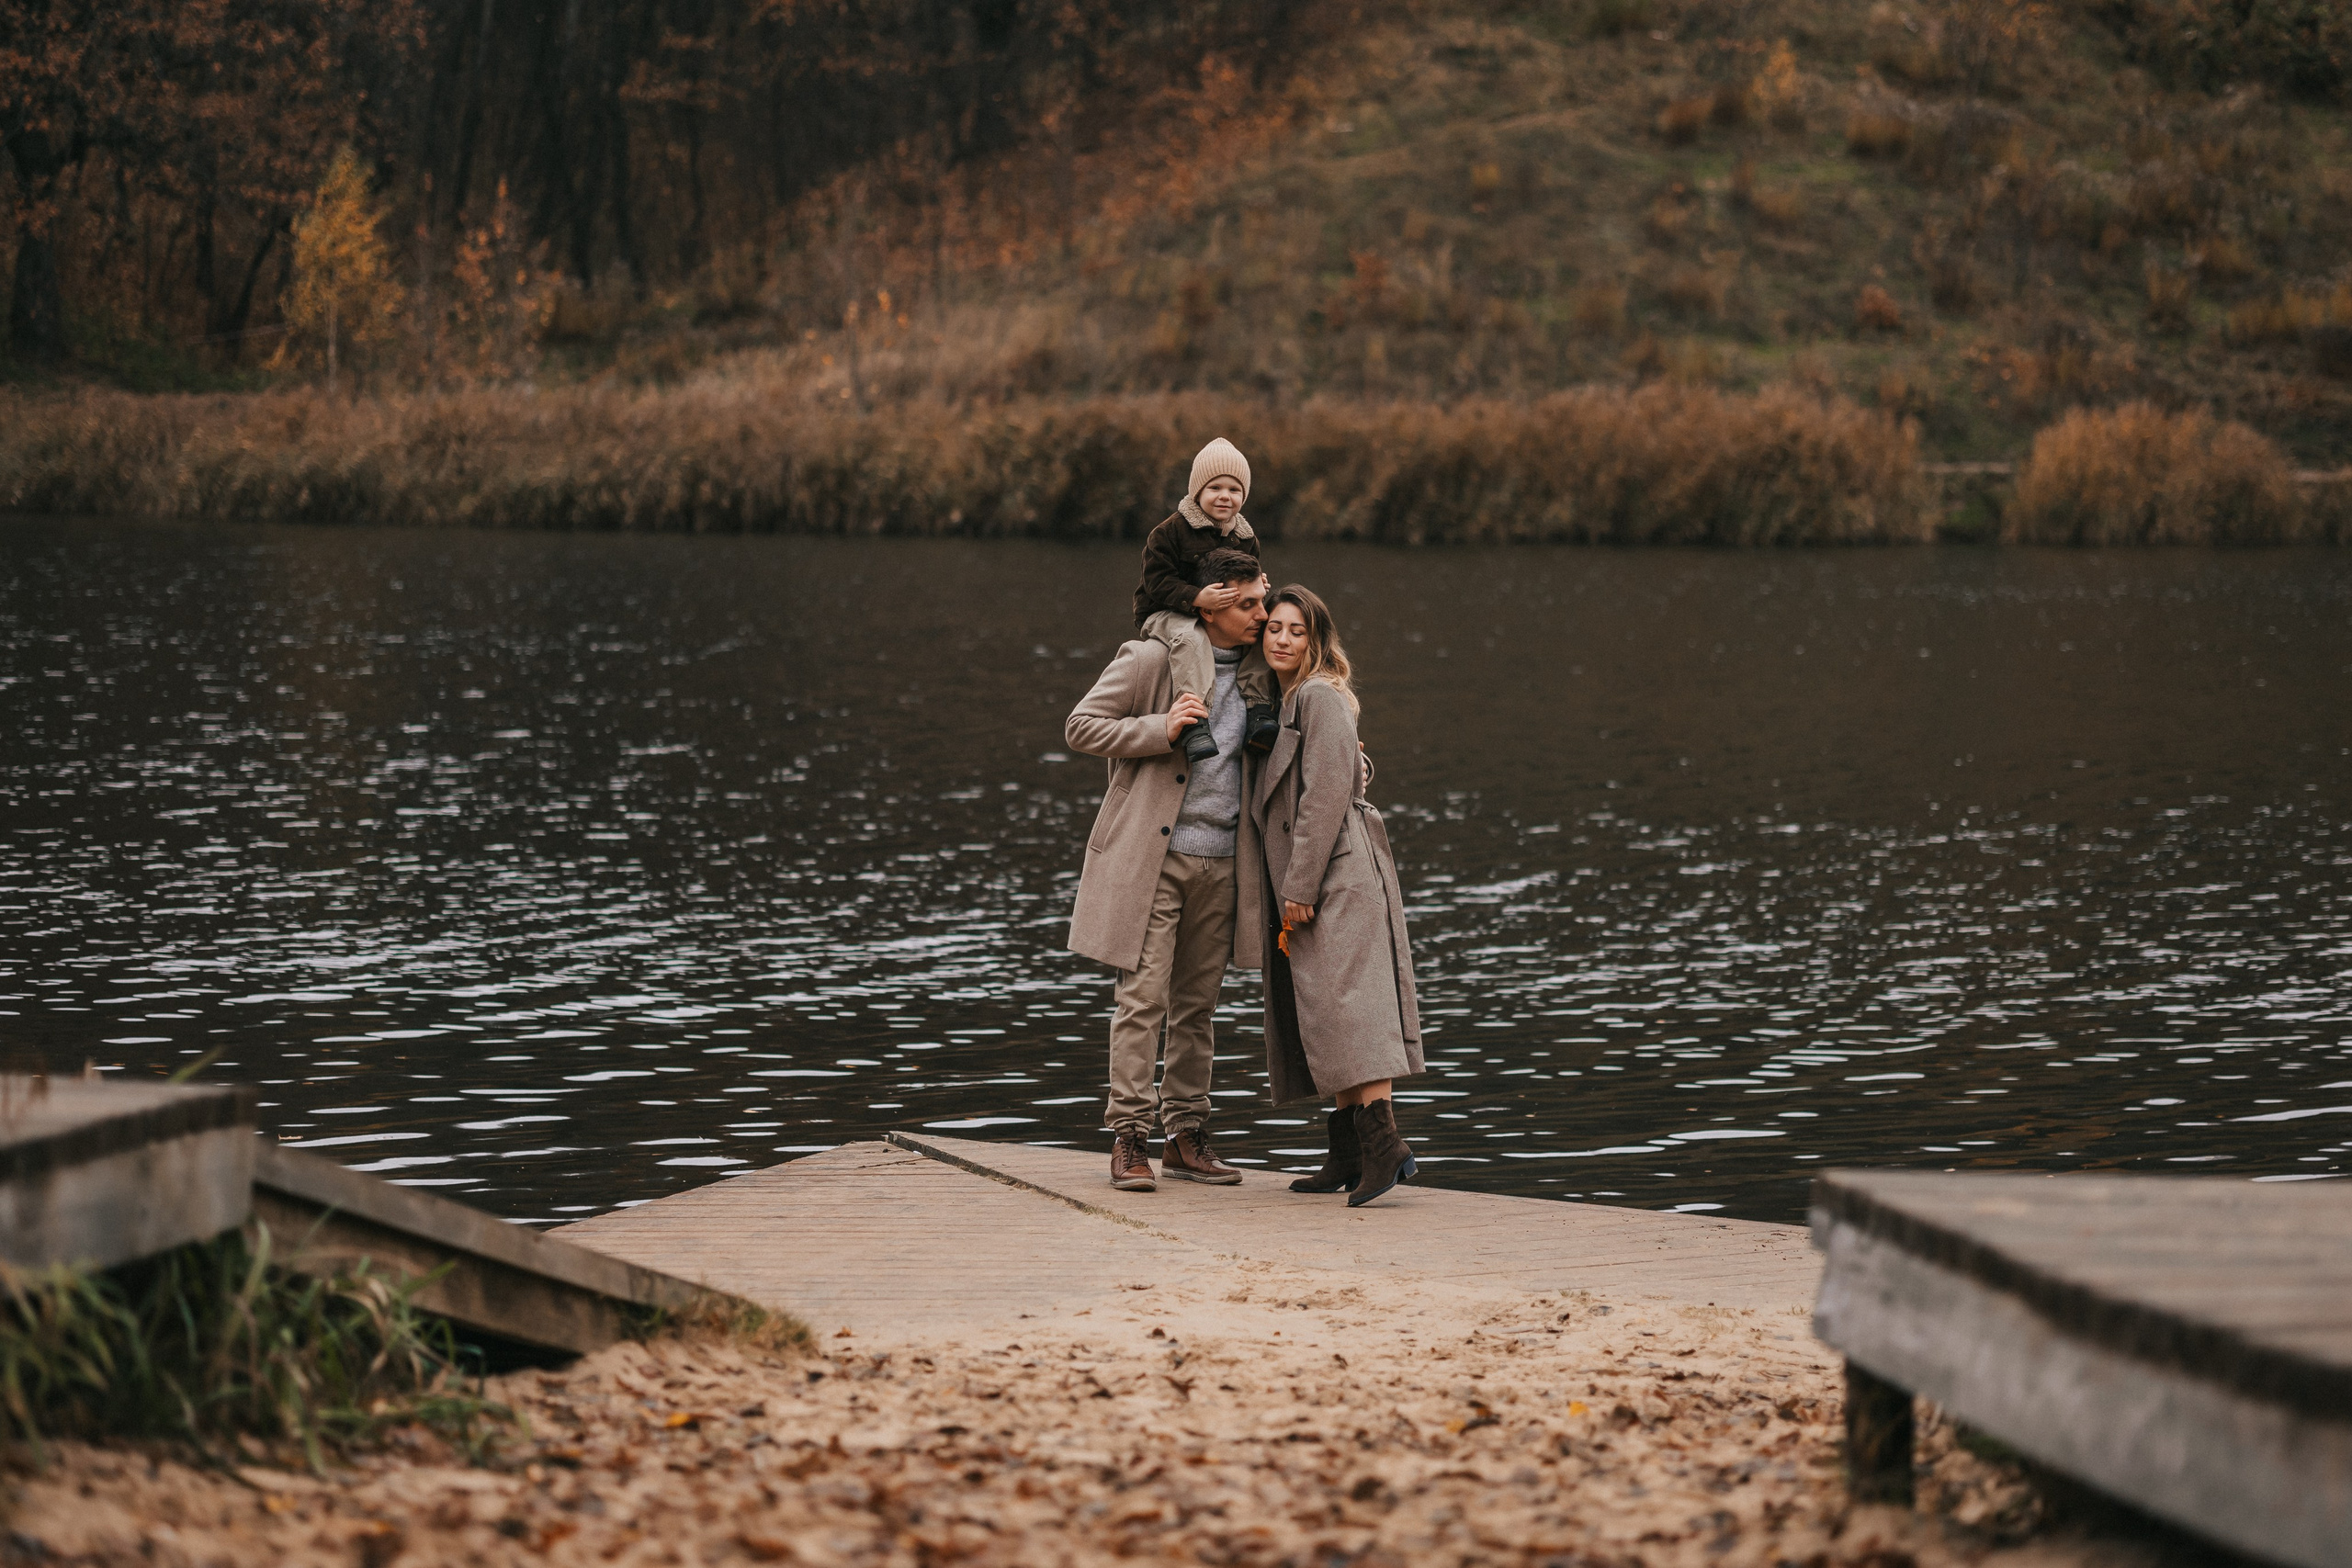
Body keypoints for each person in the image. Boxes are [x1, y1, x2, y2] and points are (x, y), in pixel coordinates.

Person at [1067, 547, 1272, 1191]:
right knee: (1142, 1000)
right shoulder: (1152, 660)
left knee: (1197, 1008)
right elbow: (1081, 725)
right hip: (1152, 860)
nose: (1263, 615)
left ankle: (1187, 1135)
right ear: (1210, 601)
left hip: (1226, 864)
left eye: (1262, 600)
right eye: (1248, 603)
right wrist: (1160, 728)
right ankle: (1129, 1137)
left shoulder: (1268, 671)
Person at [1250, 584, 1425, 1207]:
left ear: (1315, 640)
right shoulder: (1294, 699)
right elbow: (1345, 768)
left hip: (1334, 875)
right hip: (1325, 870)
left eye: (1296, 630)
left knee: (1352, 1009)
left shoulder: (1317, 695)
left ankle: (1386, 1146)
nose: (1282, 638)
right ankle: (1348, 1149)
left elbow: (1325, 795)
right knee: (1328, 1008)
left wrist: (1298, 886)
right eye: (1274, 627)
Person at [1135, 438, 1279, 763]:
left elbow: (1246, 575)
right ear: (1197, 492)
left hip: (1219, 612)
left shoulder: (1245, 537)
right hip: (1165, 610)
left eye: (1234, 489)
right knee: (1191, 636)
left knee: (1261, 626)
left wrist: (1258, 584)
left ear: (1244, 496)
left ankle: (1259, 709)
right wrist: (1197, 597)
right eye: (1215, 487)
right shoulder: (1169, 532)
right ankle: (1195, 720)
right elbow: (1156, 582)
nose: (1225, 496)